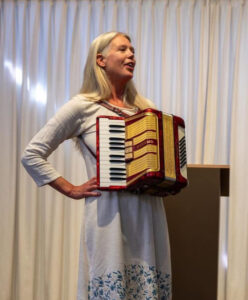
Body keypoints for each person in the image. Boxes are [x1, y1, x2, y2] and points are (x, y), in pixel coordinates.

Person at [21, 32, 171, 300]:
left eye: (133, 50)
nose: (131, 55)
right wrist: (70, 188)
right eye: (123, 49)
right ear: (100, 59)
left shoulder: (146, 112)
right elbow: (32, 154)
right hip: (108, 214)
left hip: (148, 212)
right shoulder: (82, 107)